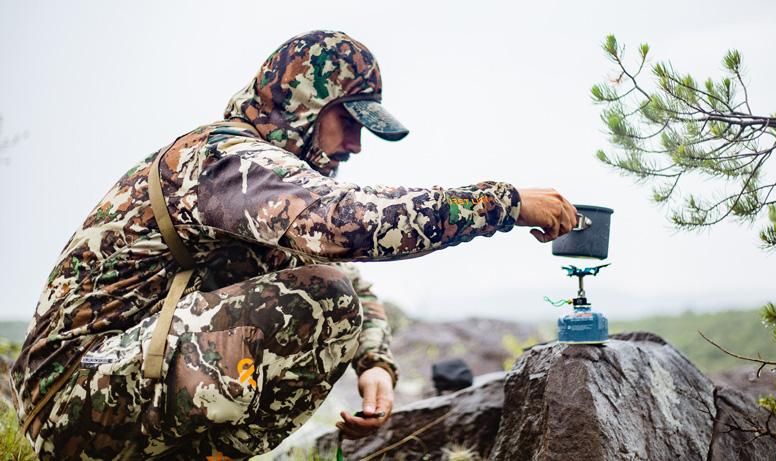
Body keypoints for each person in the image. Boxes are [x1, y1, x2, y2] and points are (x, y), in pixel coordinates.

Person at [10, 30, 577, 460]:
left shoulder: (261, 178)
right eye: (346, 120)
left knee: (338, 297)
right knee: (322, 303)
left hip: (112, 382)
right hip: (71, 394)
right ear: (303, 105)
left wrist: (374, 362)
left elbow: (355, 278)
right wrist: (502, 202)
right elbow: (343, 225)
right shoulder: (230, 161)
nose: (355, 143)